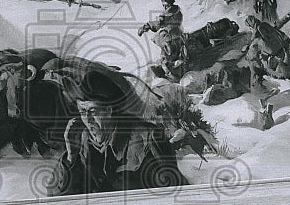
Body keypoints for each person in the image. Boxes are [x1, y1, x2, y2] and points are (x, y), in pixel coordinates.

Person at [48, 70, 188, 195]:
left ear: (110, 110)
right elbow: (55, 197)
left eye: (93, 111)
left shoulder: (148, 137)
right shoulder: (82, 140)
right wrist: (71, 157)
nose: (88, 120)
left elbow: (174, 192)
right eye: (82, 112)